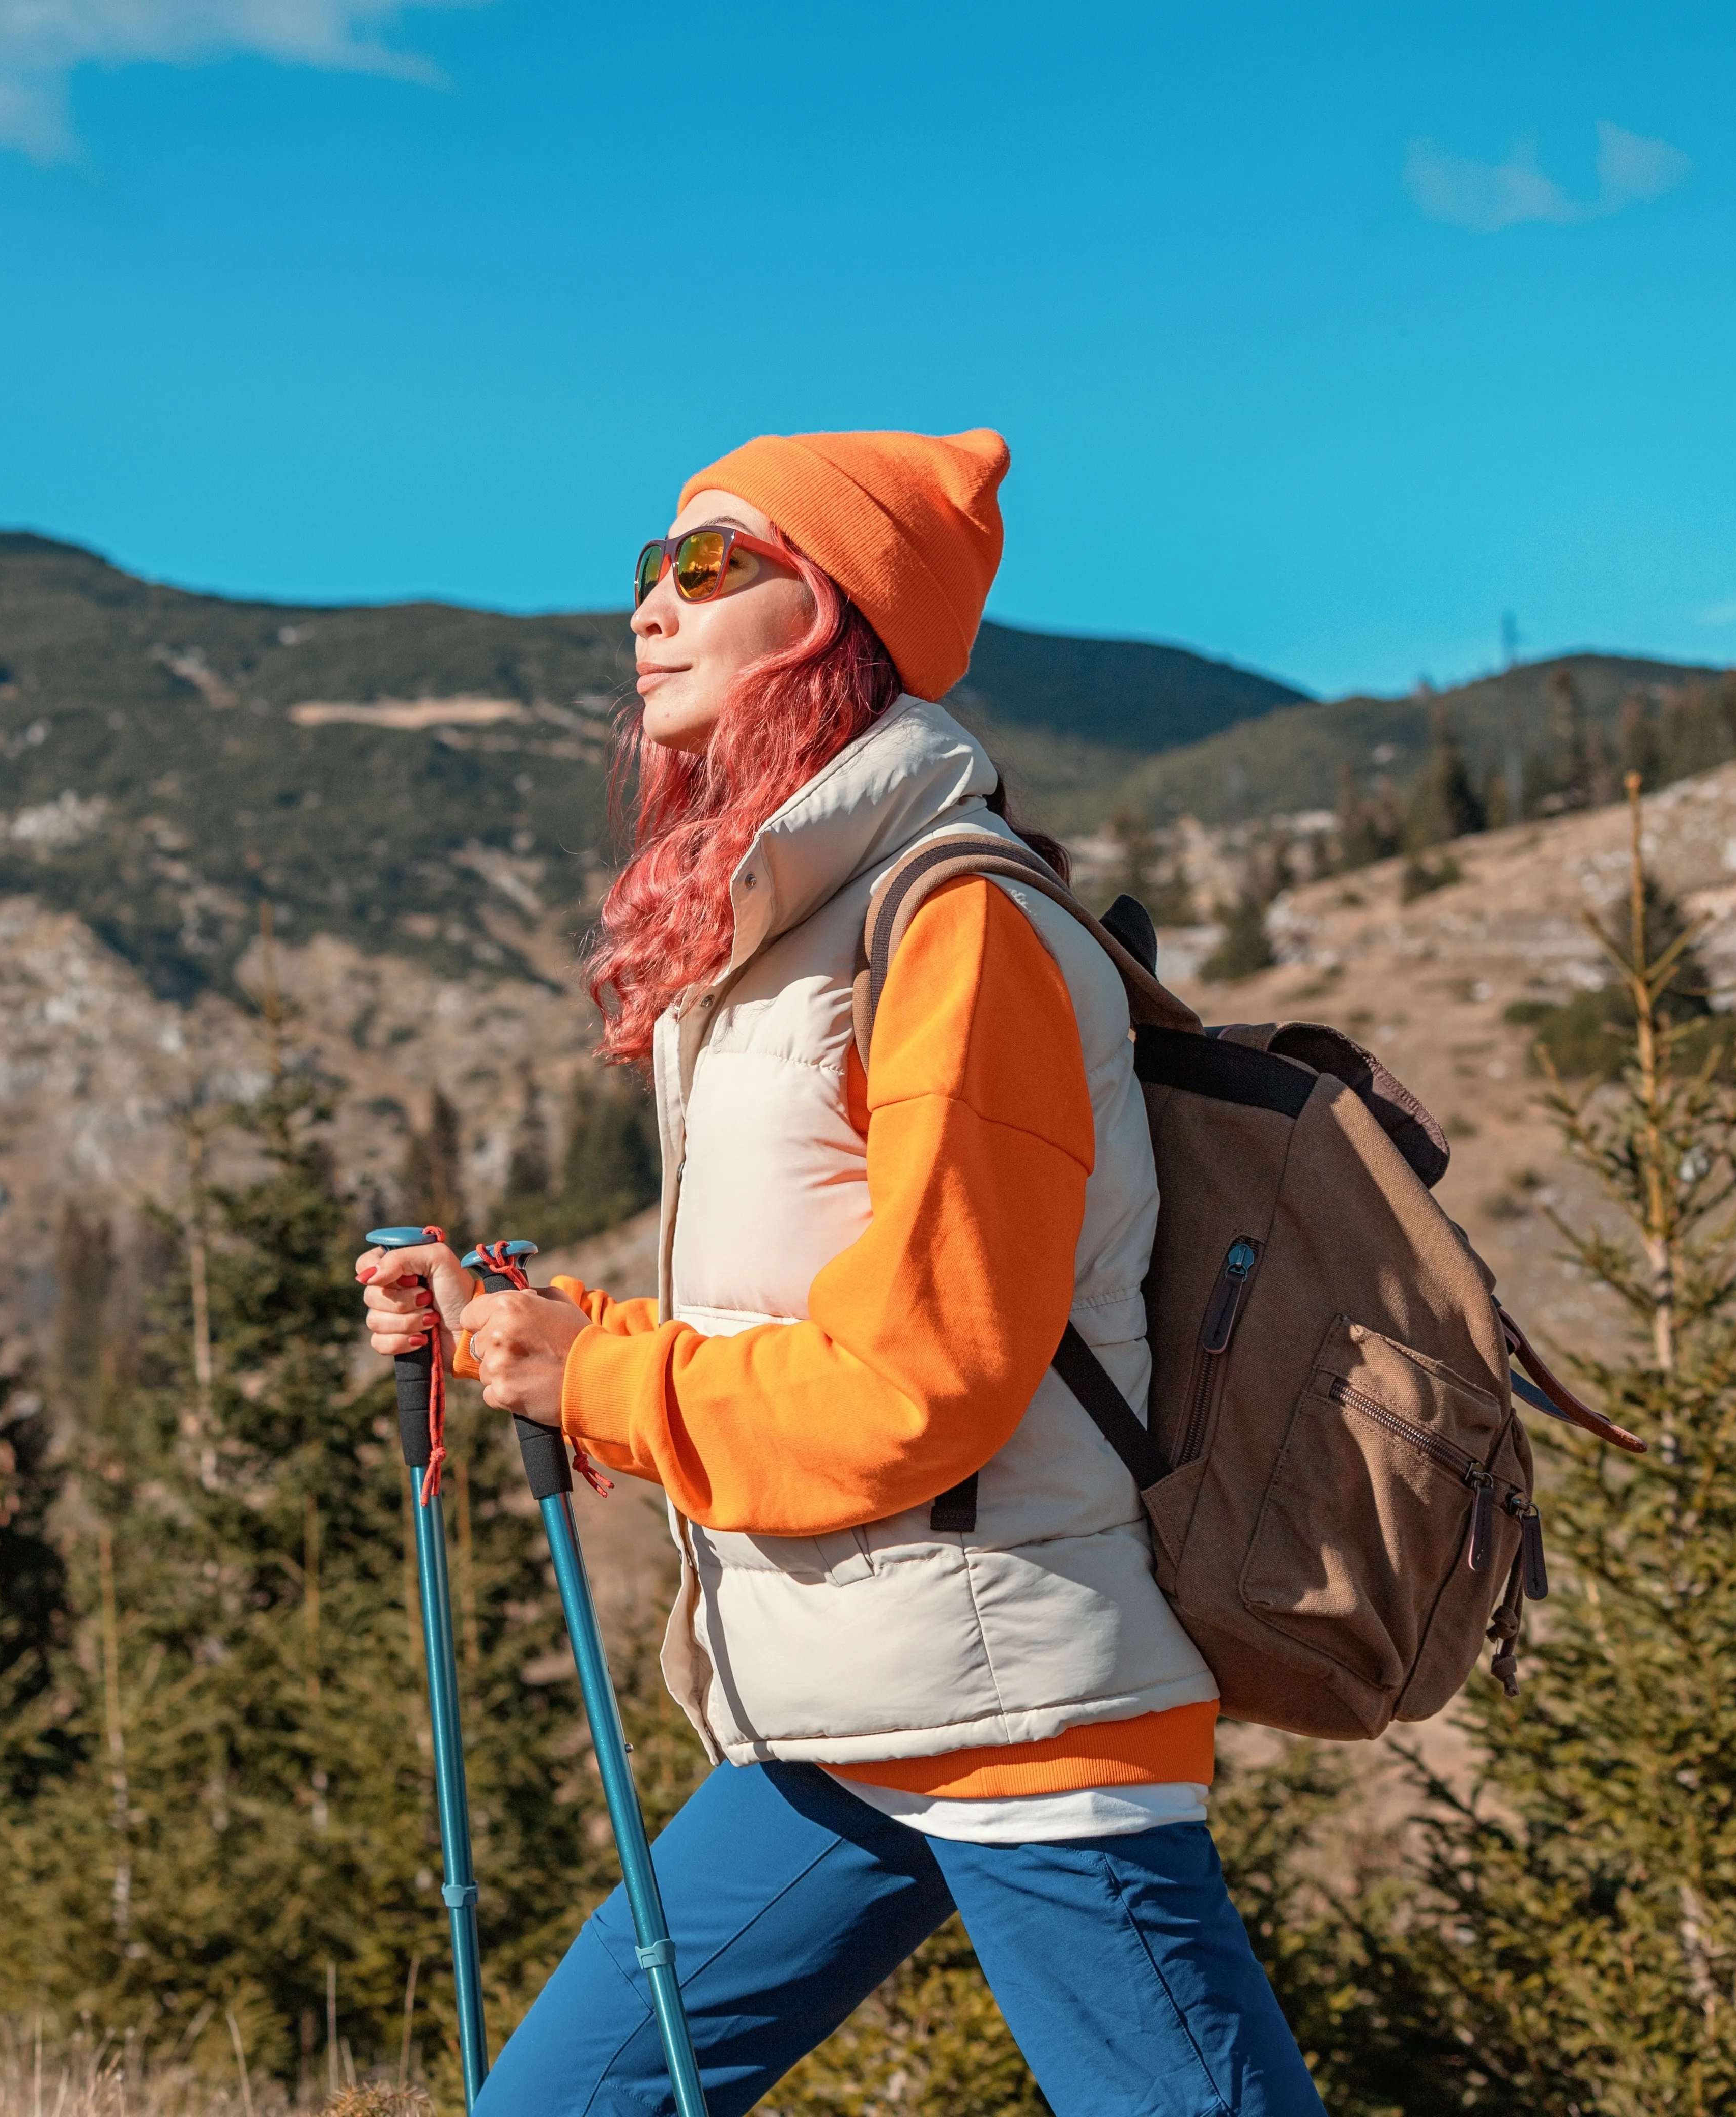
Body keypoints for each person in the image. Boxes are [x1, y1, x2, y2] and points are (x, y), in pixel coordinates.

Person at [355, 431, 1322, 2115]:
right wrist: (533, 1335)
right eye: (648, 568)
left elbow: (924, 1380)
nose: (654, 608)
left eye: (711, 566)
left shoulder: (956, 929)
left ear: (835, 613)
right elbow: (790, 1337)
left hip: (1026, 1715)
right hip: (848, 1710)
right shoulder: (795, 936)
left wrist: (590, 1384)